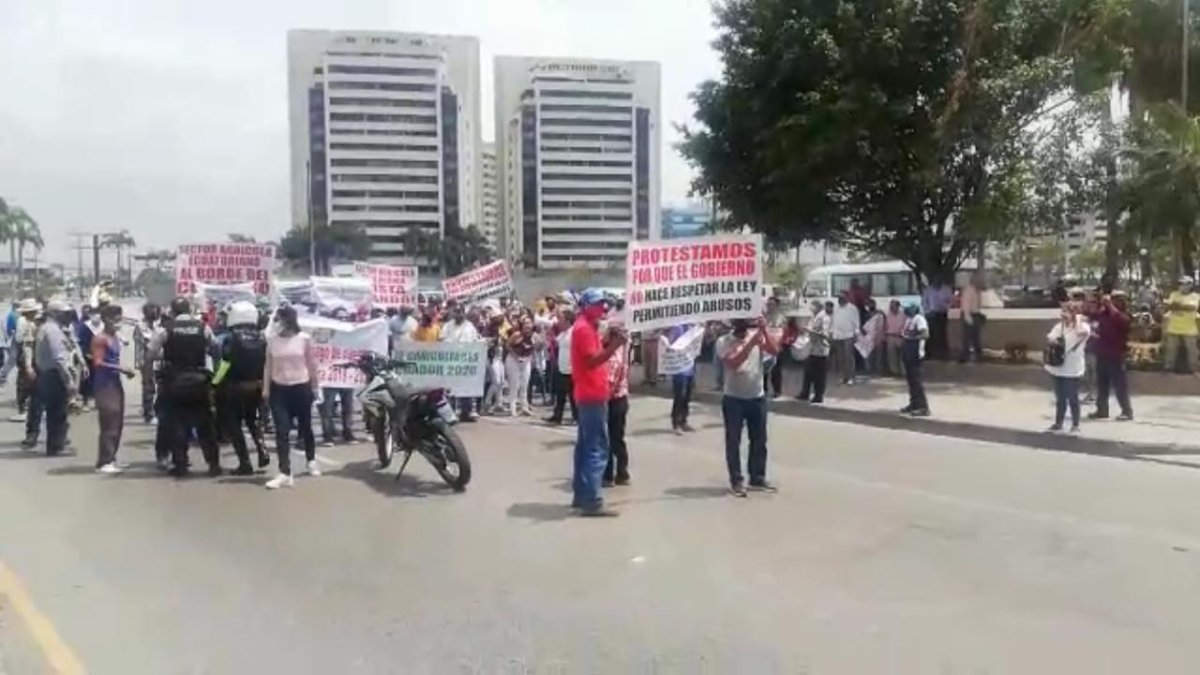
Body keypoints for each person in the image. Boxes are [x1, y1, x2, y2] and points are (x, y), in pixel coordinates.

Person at [149, 297, 222, 477]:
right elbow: (216, 349)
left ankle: (180, 463)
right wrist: (215, 377)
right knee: (205, 425)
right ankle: (213, 464)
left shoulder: (165, 329)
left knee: (177, 423)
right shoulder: (202, 328)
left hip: (174, 381)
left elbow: (151, 354)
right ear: (189, 310)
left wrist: (160, 360)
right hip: (199, 380)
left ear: (172, 312)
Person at [570, 289, 627, 517]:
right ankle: (592, 500)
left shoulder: (588, 326)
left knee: (585, 446)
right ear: (585, 306)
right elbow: (592, 361)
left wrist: (608, 341)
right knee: (596, 448)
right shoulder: (584, 328)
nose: (602, 308)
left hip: (590, 393)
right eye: (597, 304)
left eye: (603, 304)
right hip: (591, 395)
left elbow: (593, 352)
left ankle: (581, 495)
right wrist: (614, 346)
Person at [717, 316, 780, 497]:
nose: (744, 327)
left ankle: (757, 477)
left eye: (746, 323)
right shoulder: (724, 341)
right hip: (733, 398)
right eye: (740, 323)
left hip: (756, 396)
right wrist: (752, 342)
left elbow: (774, 350)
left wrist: (764, 331)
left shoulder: (756, 335)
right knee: (733, 441)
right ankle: (736, 480)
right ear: (734, 324)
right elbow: (733, 362)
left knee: (759, 440)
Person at [263, 305, 320, 489]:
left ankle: (311, 460)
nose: (276, 323)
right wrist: (266, 389)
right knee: (282, 430)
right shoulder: (271, 340)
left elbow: (311, 364)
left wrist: (315, 386)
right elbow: (268, 366)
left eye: (279, 319)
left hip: (301, 387)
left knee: (305, 426)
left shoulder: (303, 339)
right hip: (279, 389)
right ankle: (284, 472)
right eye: (275, 319)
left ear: (289, 320)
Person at [212, 301, 271, 474]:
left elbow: (225, 364)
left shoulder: (231, 338)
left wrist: (215, 383)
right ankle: (263, 450)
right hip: (257, 386)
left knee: (235, 426)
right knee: (253, 421)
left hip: (235, 388)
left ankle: (245, 463)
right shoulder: (262, 337)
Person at [91, 304, 135, 474]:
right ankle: (104, 461)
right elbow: (98, 363)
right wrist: (121, 368)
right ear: (107, 320)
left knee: (117, 422)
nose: (119, 322)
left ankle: (112, 457)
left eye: (120, 318)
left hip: (115, 383)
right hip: (104, 385)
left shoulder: (114, 336)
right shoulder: (100, 339)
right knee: (109, 423)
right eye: (116, 319)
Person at [1044, 303, 1091, 433]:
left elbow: (1082, 333)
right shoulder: (1060, 327)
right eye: (1062, 311)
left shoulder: (1083, 327)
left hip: (1073, 369)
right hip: (1058, 367)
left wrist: (1078, 320)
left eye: (1066, 312)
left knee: (1072, 397)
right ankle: (1058, 423)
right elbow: (1050, 338)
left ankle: (1075, 424)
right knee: (1060, 397)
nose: (1063, 315)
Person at [1088, 291, 1134, 421]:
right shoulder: (1104, 314)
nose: (1112, 302)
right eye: (1112, 299)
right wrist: (1094, 302)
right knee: (1102, 384)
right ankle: (1102, 410)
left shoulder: (1124, 315)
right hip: (1102, 354)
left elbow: (1120, 320)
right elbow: (1091, 314)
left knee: (1120, 385)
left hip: (1116, 355)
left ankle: (1127, 411)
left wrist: (1109, 305)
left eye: (1116, 300)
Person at [602, 328, 631, 488]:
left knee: (608, 438)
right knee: (618, 438)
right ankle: (622, 472)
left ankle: (608, 475)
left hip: (613, 400)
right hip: (622, 398)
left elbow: (610, 384)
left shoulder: (612, 357)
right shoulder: (623, 354)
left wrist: (603, 402)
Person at [441, 305, 481, 421]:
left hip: (466, 360)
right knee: (451, 388)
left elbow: (475, 341)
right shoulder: (447, 326)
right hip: (452, 360)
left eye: (460, 312)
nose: (458, 315)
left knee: (467, 386)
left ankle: (467, 412)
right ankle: (452, 412)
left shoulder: (470, 327)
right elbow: (442, 340)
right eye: (456, 312)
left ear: (464, 313)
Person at [5, 299, 40, 422]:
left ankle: (24, 409)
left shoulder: (25, 321)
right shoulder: (33, 322)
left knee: (24, 383)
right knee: (28, 382)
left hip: (26, 354)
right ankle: (26, 409)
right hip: (30, 355)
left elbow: (19, 338)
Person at [546, 310, 578, 425]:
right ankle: (557, 416)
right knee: (560, 395)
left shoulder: (573, 332)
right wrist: (551, 336)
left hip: (571, 370)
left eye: (561, 319)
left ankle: (576, 417)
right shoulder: (563, 333)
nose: (559, 322)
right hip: (561, 368)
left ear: (568, 321)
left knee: (573, 396)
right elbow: (556, 342)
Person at [1163, 277, 1199, 374]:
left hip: (1189, 328)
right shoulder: (1174, 294)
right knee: (1171, 349)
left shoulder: (1195, 296)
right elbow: (1168, 306)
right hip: (1173, 327)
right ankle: (1168, 368)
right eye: (1180, 284)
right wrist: (1181, 306)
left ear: (1190, 285)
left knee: (1192, 350)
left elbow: (1192, 307)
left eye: (1184, 284)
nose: (1182, 286)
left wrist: (1177, 306)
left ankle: (1194, 370)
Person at [798, 300, 832, 404]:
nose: (811, 308)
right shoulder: (815, 317)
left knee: (819, 375)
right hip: (812, 349)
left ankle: (818, 395)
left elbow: (825, 334)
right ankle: (805, 393)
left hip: (821, 350)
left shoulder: (824, 317)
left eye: (813, 306)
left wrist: (809, 331)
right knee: (808, 373)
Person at [899, 304, 931, 417]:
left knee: (917, 382)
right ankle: (914, 404)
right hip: (908, 354)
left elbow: (925, 334)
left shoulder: (919, 319)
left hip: (916, 355)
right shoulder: (909, 320)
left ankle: (923, 407)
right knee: (911, 382)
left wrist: (912, 338)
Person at [667, 323, 698, 434]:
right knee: (679, 396)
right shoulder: (677, 327)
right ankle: (676, 423)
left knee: (687, 397)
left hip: (690, 367)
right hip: (679, 369)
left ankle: (684, 421)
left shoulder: (692, 329)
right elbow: (670, 344)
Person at [133, 303, 161, 423]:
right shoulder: (140, 326)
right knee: (148, 387)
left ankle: (157, 410)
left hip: (160, 359)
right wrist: (139, 361)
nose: (154, 313)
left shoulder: (160, 324)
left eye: (156, 311)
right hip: (147, 360)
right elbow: (139, 345)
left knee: (160, 387)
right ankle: (148, 413)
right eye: (151, 311)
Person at [504, 316, 535, 417]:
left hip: (526, 361)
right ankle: (512, 408)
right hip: (513, 360)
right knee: (514, 385)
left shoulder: (534, 336)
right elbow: (507, 345)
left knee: (524, 384)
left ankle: (524, 407)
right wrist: (516, 357)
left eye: (529, 323)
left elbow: (535, 348)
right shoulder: (517, 334)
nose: (527, 325)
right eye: (525, 323)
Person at [831, 294, 860, 385]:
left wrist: (856, 333)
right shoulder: (836, 308)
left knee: (849, 357)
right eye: (839, 299)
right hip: (838, 336)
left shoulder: (852, 308)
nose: (840, 300)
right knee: (840, 358)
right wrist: (832, 333)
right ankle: (843, 377)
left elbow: (856, 321)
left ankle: (851, 377)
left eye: (841, 298)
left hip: (849, 335)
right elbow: (833, 321)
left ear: (846, 299)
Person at [921, 276, 953, 360]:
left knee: (942, 334)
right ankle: (928, 354)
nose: (936, 281)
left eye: (938, 280)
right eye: (935, 280)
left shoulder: (946, 289)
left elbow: (950, 300)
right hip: (931, 314)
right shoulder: (928, 290)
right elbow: (924, 302)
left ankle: (943, 354)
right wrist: (927, 312)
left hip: (941, 313)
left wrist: (946, 307)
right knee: (930, 334)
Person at [958, 273, 987, 363]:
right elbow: (966, 306)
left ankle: (978, 356)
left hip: (975, 315)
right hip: (969, 315)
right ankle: (964, 357)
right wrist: (969, 319)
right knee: (967, 338)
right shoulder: (968, 291)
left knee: (976, 338)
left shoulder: (977, 291)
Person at [883, 299, 906, 376]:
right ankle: (894, 372)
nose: (892, 308)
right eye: (891, 306)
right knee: (892, 356)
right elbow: (885, 326)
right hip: (890, 336)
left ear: (898, 306)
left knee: (902, 356)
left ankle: (904, 371)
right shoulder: (887, 315)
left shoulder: (903, 315)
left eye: (894, 306)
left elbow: (906, 326)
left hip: (900, 337)